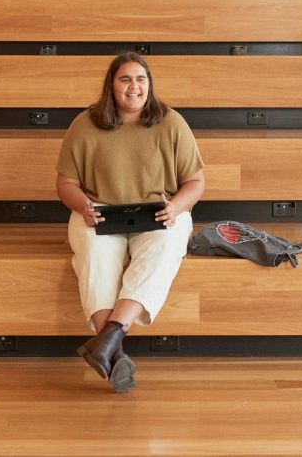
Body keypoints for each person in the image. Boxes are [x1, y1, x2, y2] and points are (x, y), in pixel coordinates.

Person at [56, 52, 205, 393]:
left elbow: (196, 182)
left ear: (149, 86)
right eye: (125, 79)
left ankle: (108, 339)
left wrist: (176, 207)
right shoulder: (84, 124)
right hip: (99, 212)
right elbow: (65, 185)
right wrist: (84, 207)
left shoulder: (171, 122)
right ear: (111, 85)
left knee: (166, 248)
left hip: (158, 213)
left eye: (141, 79)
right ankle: (114, 351)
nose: (134, 86)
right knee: (94, 256)